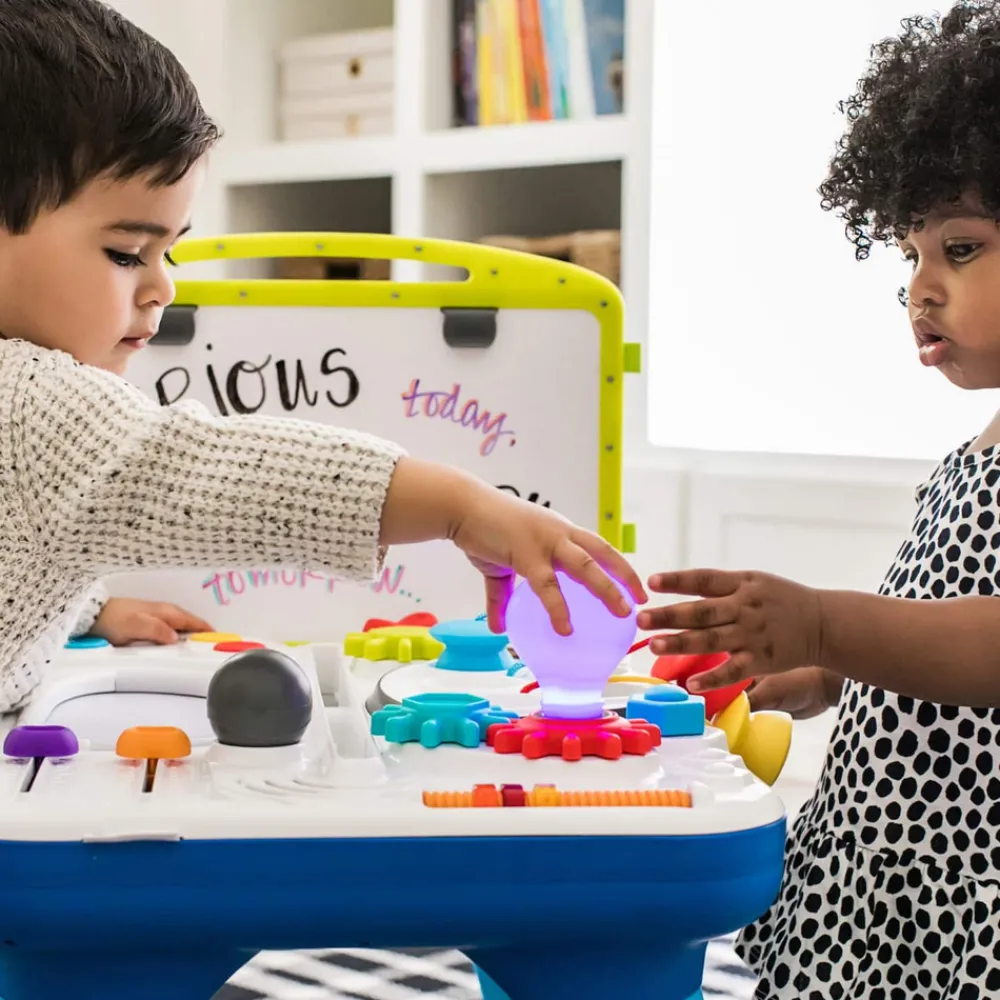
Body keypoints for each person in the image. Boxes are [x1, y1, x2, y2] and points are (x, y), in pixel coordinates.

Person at [0, 0, 645, 715]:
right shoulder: (32, 400)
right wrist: (461, 508)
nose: (164, 287)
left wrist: (88, 608)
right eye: (127, 253)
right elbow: (215, 474)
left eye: (170, 252)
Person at [639, 4, 1000, 997]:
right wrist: (820, 671)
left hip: (970, 898)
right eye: (911, 257)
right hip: (887, 870)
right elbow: (935, 627)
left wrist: (825, 622)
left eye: (961, 249)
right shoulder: (975, 447)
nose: (921, 289)